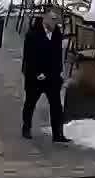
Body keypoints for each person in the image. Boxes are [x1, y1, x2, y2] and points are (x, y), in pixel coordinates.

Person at [21, 10, 69, 142]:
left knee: (56, 105)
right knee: (30, 103)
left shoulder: (57, 33)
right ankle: (26, 127)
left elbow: (58, 55)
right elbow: (29, 57)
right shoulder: (33, 34)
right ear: (45, 19)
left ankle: (58, 134)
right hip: (35, 76)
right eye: (52, 19)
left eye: (56, 20)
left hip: (52, 76)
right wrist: (36, 73)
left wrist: (58, 73)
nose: (55, 23)